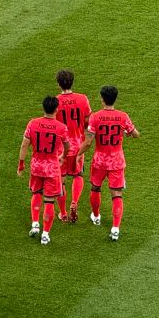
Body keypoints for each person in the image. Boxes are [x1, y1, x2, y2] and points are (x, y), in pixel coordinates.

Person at [80, 85, 139, 241]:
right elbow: (135, 134)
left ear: (102, 99)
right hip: (117, 161)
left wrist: (78, 154)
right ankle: (115, 228)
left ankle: (96, 216)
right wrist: (126, 131)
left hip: (99, 161)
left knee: (95, 188)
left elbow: (88, 142)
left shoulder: (95, 117)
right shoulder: (123, 116)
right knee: (117, 195)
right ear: (115, 99)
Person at [17, 96, 69, 244]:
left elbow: (24, 145)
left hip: (36, 166)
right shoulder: (61, 127)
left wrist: (21, 164)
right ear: (57, 109)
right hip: (52, 168)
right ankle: (45, 234)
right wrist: (63, 156)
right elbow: (67, 146)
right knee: (49, 201)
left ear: (43, 108)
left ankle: (35, 224)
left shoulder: (33, 123)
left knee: (36, 193)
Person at [54, 69, 91, 222]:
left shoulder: (55, 101)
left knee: (61, 180)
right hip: (78, 145)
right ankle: (74, 202)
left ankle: (63, 213)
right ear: (72, 82)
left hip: (61, 148)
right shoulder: (83, 99)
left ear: (58, 84)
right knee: (78, 175)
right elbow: (88, 121)